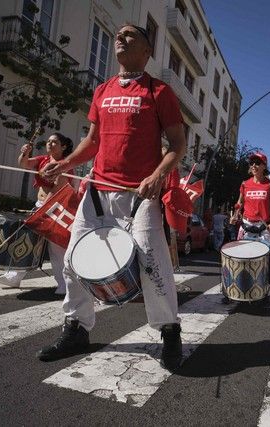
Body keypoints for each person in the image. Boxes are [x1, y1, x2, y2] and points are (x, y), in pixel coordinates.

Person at [37, 23, 187, 370]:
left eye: (131, 35)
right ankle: (76, 328)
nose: (121, 37)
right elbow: (93, 142)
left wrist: (156, 176)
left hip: (139, 194)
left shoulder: (159, 91)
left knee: (153, 265)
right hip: (97, 192)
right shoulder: (102, 90)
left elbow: (178, 146)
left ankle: (169, 330)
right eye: (119, 34)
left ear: (147, 51)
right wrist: (63, 164)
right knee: (74, 261)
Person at [0, 132, 74, 295]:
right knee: (27, 239)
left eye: (54, 142)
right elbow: (24, 164)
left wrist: (42, 210)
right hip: (40, 205)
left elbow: (58, 190)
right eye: (49, 141)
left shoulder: (66, 165)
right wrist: (25, 152)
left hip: (55, 208)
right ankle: (14, 276)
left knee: (56, 247)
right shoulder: (43, 160)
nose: (50, 144)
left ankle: (65, 284)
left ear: (63, 146)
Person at [231, 152, 270, 243]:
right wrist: (235, 215)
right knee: (242, 256)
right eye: (252, 163)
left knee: (261, 257)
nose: (254, 165)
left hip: (263, 227)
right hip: (246, 225)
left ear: (264, 166)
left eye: (257, 163)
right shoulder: (244, 184)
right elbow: (240, 203)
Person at [161, 144, 181, 272]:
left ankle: (170, 267)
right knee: (169, 242)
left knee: (168, 242)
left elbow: (172, 191)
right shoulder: (173, 171)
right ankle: (172, 266)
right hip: (164, 210)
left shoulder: (172, 171)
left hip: (164, 210)